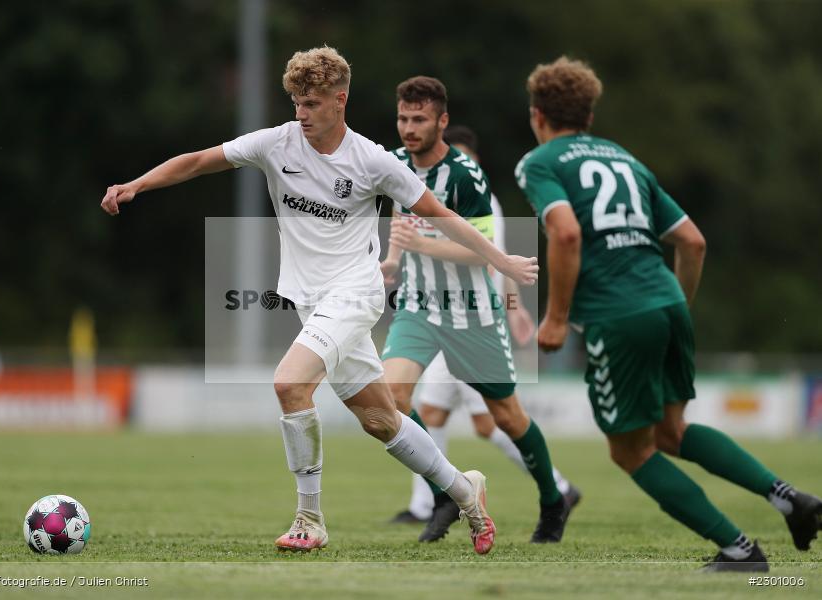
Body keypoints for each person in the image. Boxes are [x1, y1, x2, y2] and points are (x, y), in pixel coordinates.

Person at [101, 46, 540, 555]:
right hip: (310, 302)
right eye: (295, 102)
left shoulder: (372, 159)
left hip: (355, 292)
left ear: (340, 100)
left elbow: (442, 214)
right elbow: (200, 161)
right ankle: (467, 492)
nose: (301, 114)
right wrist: (137, 185)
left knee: (290, 383)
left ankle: (309, 519)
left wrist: (502, 260)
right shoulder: (277, 143)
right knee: (381, 421)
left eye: (310, 103)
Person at [516, 56, 821, 572]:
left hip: (617, 315)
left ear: (537, 115)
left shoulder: (541, 163)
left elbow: (565, 232)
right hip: (667, 299)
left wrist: (556, 317)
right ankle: (789, 498)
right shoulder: (627, 160)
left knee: (630, 451)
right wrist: (673, 308)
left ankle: (739, 550)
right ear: (589, 115)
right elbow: (693, 242)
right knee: (671, 432)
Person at [379, 77, 574, 545]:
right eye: (404, 118)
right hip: (419, 308)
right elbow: (400, 220)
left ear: (442, 122)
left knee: (506, 417)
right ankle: (446, 493)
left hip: (473, 313)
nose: (409, 127)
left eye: (419, 119)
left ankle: (554, 499)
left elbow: (484, 251)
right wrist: (391, 260)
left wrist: (421, 244)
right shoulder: (394, 164)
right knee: (390, 399)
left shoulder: (465, 174)